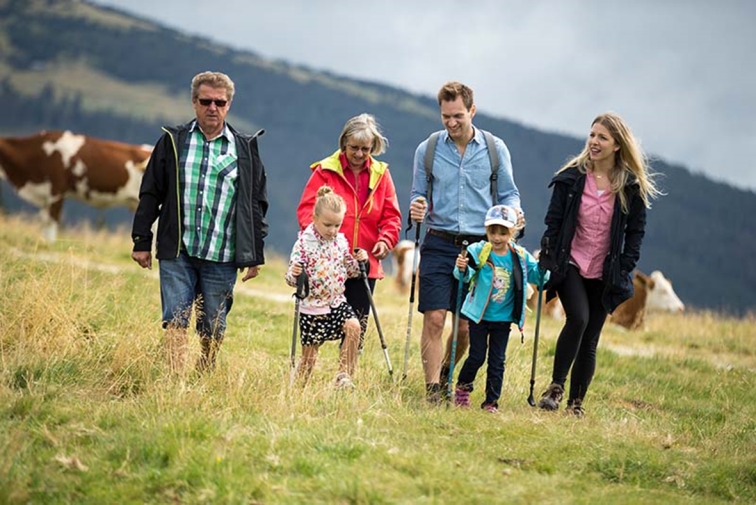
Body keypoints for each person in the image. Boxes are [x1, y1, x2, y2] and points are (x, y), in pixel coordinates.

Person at [131, 70, 268, 375]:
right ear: (194, 102)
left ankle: (206, 365)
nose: (212, 108)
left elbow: (256, 204)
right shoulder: (172, 142)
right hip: (178, 248)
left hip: (222, 254)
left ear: (229, 104)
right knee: (175, 317)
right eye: (205, 101)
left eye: (220, 102)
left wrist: (255, 254)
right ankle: (175, 381)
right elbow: (151, 192)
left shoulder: (244, 148)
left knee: (213, 325)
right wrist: (141, 240)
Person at [536, 112, 661, 417]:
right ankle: (555, 388)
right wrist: (549, 257)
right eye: (592, 135)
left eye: (602, 137)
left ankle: (576, 404)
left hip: (606, 271)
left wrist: (624, 267)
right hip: (572, 263)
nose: (594, 142)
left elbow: (636, 233)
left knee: (591, 337)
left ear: (617, 145)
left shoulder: (629, 187)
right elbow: (553, 222)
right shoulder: (571, 177)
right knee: (577, 318)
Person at [408, 81, 522, 402]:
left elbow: (509, 192)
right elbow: (419, 193)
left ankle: (446, 370)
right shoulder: (427, 149)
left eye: (458, 115)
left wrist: (514, 212)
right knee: (434, 318)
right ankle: (433, 390)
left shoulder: (495, 149)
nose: (451, 122)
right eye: (446, 116)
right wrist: (418, 205)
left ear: (472, 110)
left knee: (465, 328)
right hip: (438, 242)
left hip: (480, 248)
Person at [296, 113, 401, 350]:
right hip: (326, 262)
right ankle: (305, 373)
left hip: (365, 263)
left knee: (357, 326)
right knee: (316, 325)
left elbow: (391, 216)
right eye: (354, 147)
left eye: (366, 148)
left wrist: (385, 241)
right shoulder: (325, 170)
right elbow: (306, 211)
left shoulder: (381, 173)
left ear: (373, 147)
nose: (359, 154)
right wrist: (320, 239)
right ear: (344, 143)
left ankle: (345, 378)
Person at [452, 205, 547, 413]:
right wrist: (461, 267)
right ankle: (462, 387)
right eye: (492, 231)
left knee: (497, 361)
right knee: (477, 356)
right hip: (479, 316)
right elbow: (463, 275)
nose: (496, 237)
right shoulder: (479, 251)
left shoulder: (520, 256)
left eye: (503, 232)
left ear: (512, 232)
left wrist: (544, 266)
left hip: (503, 319)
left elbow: (538, 277)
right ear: (487, 230)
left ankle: (491, 402)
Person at [286, 185, 369, 388]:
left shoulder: (340, 242)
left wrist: (360, 262)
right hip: (312, 306)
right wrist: (294, 275)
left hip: (336, 302)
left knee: (354, 327)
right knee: (309, 359)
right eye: (328, 225)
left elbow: (351, 271)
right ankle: (296, 390)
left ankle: (344, 377)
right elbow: (290, 277)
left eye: (337, 225)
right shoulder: (303, 244)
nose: (333, 231)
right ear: (314, 218)